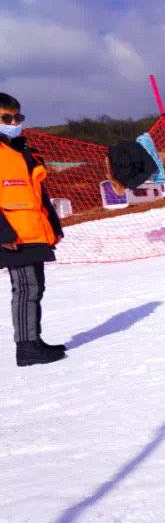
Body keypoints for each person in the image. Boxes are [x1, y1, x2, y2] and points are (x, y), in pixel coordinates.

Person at [0, 92, 66, 366]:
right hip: (12, 233)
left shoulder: (23, 150)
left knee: (35, 287)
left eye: (18, 117)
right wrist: (3, 234)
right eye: (6, 118)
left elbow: (38, 193)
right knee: (26, 288)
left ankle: (33, 340)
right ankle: (26, 348)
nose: (14, 122)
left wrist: (54, 225)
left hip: (34, 229)